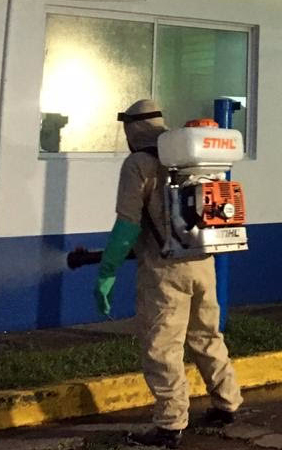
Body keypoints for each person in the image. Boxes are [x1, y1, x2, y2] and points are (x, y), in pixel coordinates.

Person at [94, 99, 243, 448]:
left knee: (162, 346)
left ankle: (169, 425)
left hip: (164, 271)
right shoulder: (190, 157)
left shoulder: (138, 164)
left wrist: (107, 271)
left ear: (132, 129)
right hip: (203, 263)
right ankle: (228, 401)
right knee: (206, 335)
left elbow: (127, 226)